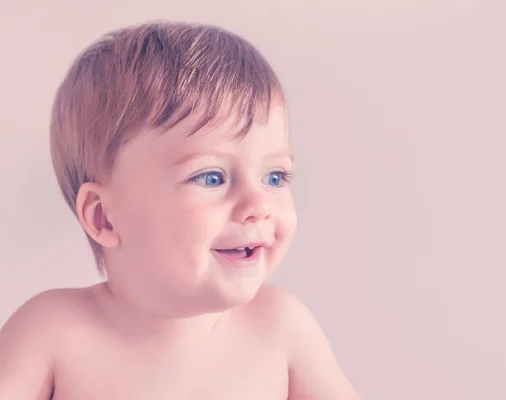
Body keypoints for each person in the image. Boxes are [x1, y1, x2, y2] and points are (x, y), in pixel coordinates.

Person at [0, 21, 361, 399]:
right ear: (103, 216)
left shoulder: (281, 328)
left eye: (274, 177)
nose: (259, 206)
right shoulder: (53, 333)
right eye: (211, 178)